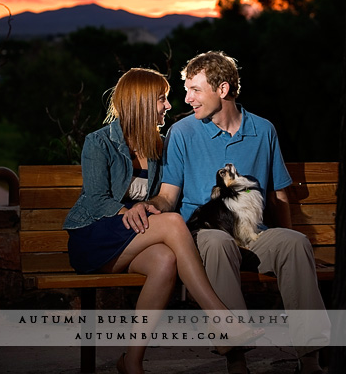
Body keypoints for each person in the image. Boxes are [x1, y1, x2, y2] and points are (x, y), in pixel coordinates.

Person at [126, 52, 330, 374]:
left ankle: (311, 360)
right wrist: (151, 206)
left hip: (253, 234)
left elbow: (278, 195)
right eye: (187, 89)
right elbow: (168, 196)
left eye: (195, 90)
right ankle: (236, 359)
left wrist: (290, 234)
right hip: (205, 232)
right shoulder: (182, 133)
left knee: (294, 244)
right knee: (218, 244)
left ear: (222, 90)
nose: (187, 98)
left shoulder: (263, 131)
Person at [63, 67, 263, 374]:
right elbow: (95, 198)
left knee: (166, 261)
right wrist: (125, 211)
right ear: (142, 102)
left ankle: (132, 360)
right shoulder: (99, 142)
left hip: (135, 234)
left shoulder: (159, 145)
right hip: (95, 235)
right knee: (170, 223)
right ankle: (221, 318)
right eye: (162, 99)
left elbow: (166, 195)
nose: (168, 106)